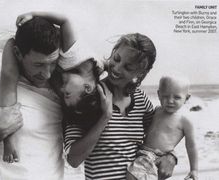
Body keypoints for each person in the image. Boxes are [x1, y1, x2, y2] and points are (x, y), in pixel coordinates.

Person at [63, 33, 177, 179]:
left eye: (128, 67)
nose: (116, 68)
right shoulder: (88, 96)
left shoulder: (141, 99)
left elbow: (161, 135)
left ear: (140, 73)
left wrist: (171, 156)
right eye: (116, 59)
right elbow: (73, 159)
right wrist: (105, 117)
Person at [0, 13, 75, 179]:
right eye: (38, 64)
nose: (47, 74)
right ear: (18, 54)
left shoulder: (63, 87)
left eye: (52, 63)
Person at [126, 75, 198, 180]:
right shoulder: (157, 110)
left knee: (132, 176)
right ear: (159, 95)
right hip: (142, 152)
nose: (170, 101)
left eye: (176, 97)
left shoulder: (185, 120)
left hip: (156, 156)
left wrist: (194, 169)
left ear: (186, 98)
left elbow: (191, 146)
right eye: (165, 96)